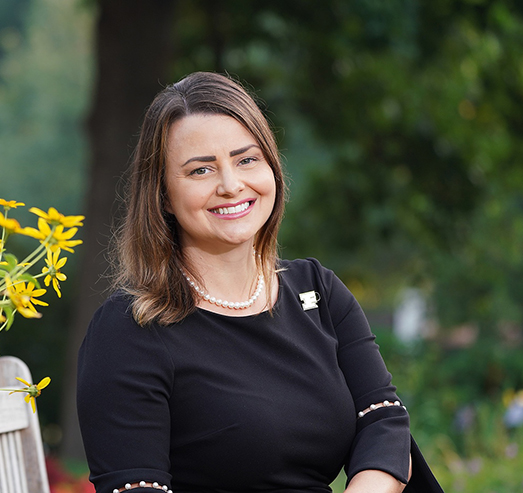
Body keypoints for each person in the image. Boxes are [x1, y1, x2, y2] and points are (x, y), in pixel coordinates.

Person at [77, 72, 436, 493]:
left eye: (246, 160)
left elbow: (383, 420)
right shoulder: (128, 330)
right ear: (162, 196)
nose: (231, 186)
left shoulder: (317, 291)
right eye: (201, 170)